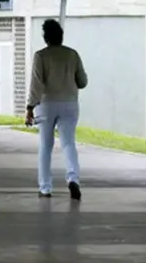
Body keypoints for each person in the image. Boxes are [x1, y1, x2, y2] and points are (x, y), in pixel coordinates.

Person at [26, 19, 88, 200]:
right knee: (69, 143)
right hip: (70, 104)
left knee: (46, 146)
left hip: (46, 105)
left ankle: (45, 188)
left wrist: (30, 107)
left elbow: (36, 84)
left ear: (46, 38)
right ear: (61, 36)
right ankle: (73, 178)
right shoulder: (72, 55)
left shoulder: (40, 56)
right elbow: (83, 82)